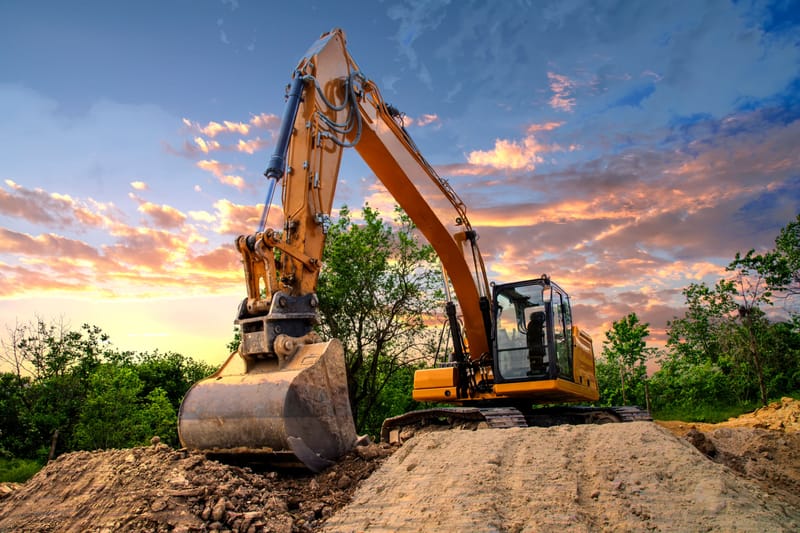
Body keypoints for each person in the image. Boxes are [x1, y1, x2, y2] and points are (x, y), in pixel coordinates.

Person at [526, 310, 546, 375]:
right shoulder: (534, 326)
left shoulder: (532, 325)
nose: (543, 321)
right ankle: (536, 369)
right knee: (537, 364)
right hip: (536, 350)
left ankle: (537, 368)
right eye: (542, 318)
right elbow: (535, 337)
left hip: (536, 349)